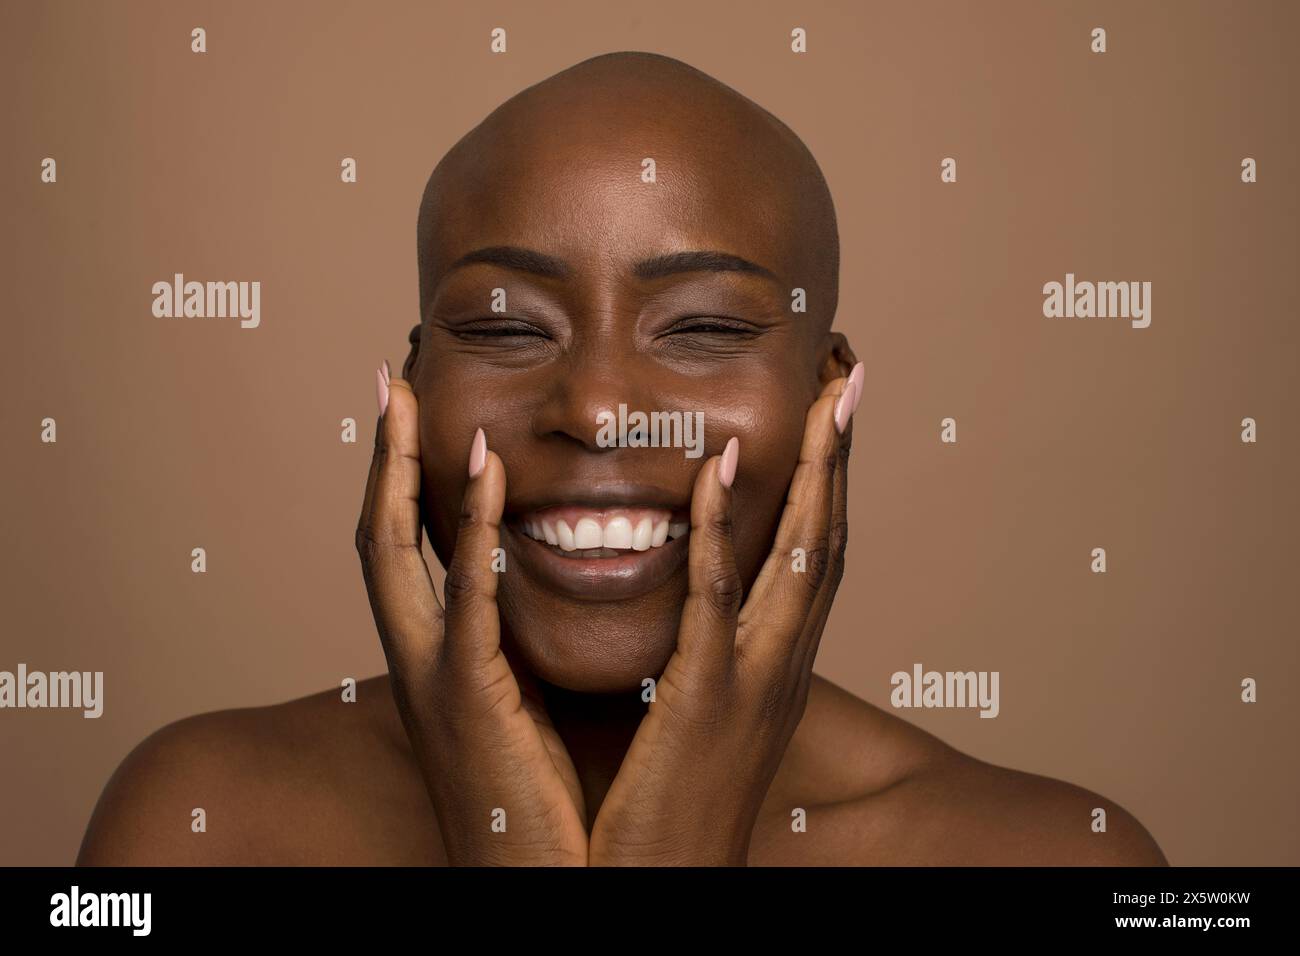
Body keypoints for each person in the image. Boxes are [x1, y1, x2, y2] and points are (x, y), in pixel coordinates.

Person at [77, 51, 1167, 866]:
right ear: (409, 388)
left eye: (702, 329)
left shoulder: (1055, 855)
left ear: (830, 396)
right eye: (506, 327)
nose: (598, 409)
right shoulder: (196, 822)